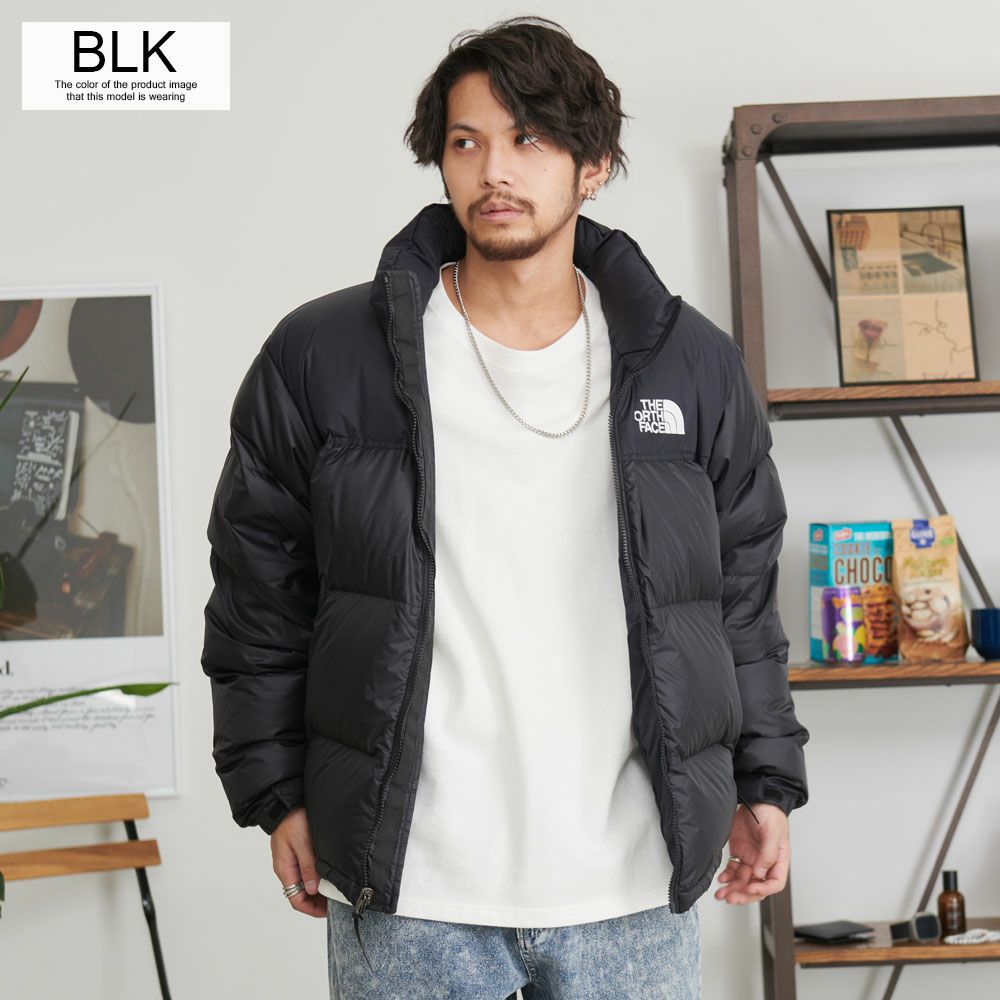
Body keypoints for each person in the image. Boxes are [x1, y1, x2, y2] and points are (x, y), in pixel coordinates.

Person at [201, 15, 809, 1000]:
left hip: (632, 885)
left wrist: (762, 780)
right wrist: (276, 794)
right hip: (411, 888)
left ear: (594, 165)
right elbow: (258, 594)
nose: (494, 170)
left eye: (529, 138)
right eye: (465, 141)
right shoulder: (323, 356)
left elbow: (737, 597)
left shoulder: (690, 364)